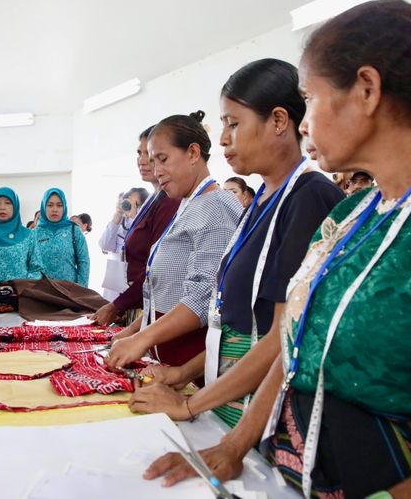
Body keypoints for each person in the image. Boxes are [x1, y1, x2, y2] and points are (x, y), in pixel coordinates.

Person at [145, 2, 411, 498]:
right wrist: (234, 446)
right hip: (293, 477)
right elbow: (292, 343)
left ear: (366, 90)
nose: (303, 123)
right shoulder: (351, 215)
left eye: (310, 98)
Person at [129, 59, 343, 428]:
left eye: (233, 124)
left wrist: (190, 405)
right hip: (228, 401)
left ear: (278, 121)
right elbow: (231, 326)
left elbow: (282, 336)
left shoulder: (309, 198)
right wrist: (182, 374)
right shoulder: (260, 203)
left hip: (261, 415)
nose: (224, 139)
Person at [105, 111, 243, 375]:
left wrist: (142, 339)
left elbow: (204, 297)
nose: (157, 171)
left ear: (193, 153)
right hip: (170, 363)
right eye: (153, 161)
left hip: (193, 369)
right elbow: (167, 293)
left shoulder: (216, 206)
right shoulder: (189, 204)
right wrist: (133, 332)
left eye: (163, 159)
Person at [90, 126, 181, 326]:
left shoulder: (169, 201)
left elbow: (156, 267)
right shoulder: (154, 199)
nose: (142, 160)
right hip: (137, 299)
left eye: (150, 153)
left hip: (152, 306)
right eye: (139, 153)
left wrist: (117, 305)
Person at [98, 188, 149, 301]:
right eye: (124, 203)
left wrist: (135, 217)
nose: (126, 206)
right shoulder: (118, 223)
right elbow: (104, 245)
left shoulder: (146, 225)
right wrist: (116, 218)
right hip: (114, 282)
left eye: (133, 204)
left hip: (134, 280)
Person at [34, 188, 90, 286]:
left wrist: (81, 288)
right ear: (43, 207)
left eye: (59, 205)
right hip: (42, 290)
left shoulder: (74, 230)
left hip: (69, 290)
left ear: (64, 207)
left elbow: (84, 261)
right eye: (50, 205)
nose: (54, 209)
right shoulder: (35, 233)